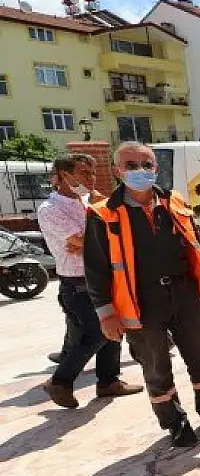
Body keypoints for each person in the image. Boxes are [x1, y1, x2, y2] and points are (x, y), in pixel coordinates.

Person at [84, 142, 200, 447]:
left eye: (146, 164)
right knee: (155, 365)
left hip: (184, 292)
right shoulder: (103, 215)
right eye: (131, 165)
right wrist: (105, 312)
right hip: (141, 301)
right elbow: (96, 268)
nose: (140, 171)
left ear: (156, 168)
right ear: (116, 171)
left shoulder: (173, 202)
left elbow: (195, 246)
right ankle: (174, 422)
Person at [38, 154, 143, 408]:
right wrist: (90, 240)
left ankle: (109, 381)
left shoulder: (92, 201)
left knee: (113, 329)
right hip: (77, 283)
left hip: (105, 275)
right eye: (84, 173)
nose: (91, 178)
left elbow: (112, 234)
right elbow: (81, 241)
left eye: (93, 172)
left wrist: (90, 241)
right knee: (95, 333)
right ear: (65, 176)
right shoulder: (50, 209)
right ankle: (60, 381)